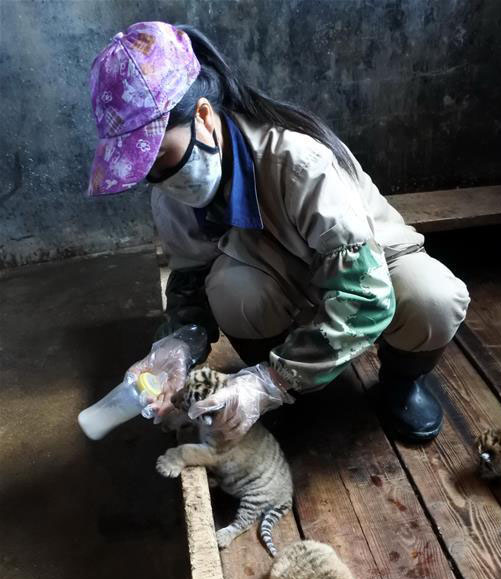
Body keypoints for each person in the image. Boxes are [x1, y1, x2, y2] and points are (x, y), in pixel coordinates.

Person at [87, 21, 470, 443]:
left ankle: (399, 381)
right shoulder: (169, 192)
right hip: (283, 278)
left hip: (372, 266)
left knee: (434, 298)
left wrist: (268, 382)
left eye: (160, 155)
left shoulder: (298, 161)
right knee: (231, 290)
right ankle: (289, 390)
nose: (159, 177)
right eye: (146, 170)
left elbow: (366, 293)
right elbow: (191, 278)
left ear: (202, 116)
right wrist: (178, 344)